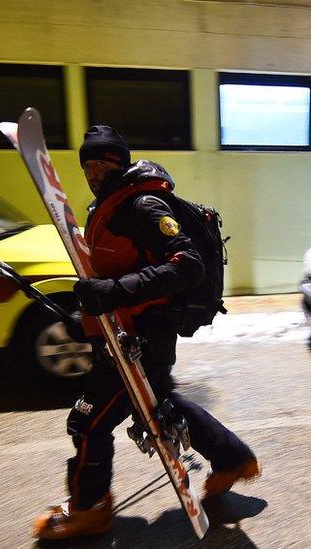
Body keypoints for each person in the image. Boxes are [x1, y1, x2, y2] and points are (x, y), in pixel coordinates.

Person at [32, 125, 261, 540]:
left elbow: (188, 265)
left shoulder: (142, 204)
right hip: (122, 335)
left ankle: (90, 509)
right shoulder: (108, 206)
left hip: (139, 338)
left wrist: (111, 293)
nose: (94, 170)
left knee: (87, 424)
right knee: (155, 404)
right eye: (87, 163)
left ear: (120, 162)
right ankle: (233, 459)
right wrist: (90, 311)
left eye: (103, 161)